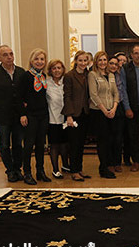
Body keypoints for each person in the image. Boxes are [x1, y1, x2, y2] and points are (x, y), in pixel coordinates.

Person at [0, 45, 26, 183]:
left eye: (11, 54)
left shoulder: (21, 72)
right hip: (3, 116)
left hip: (19, 115)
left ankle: (18, 168)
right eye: (5, 55)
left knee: (18, 144)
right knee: (4, 144)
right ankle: (10, 170)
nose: (9, 57)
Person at [19, 48, 50, 185]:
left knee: (40, 144)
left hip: (43, 114)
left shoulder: (43, 77)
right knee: (29, 145)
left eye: (42, 59)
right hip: (30, 115)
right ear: (31, 61)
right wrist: (22, 114)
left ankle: (40, 171)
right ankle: (27, 172)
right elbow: (19, 97)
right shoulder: (26, 76)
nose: (39, 61)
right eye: (36, 59)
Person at [88, 51, 119, 179]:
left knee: (111, 139)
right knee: (103, 141)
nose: (102, 63)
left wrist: (114, 108)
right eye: (100, 60)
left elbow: (116, 93)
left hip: (112, 111)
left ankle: (109, 164)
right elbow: (93, 95)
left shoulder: (111, 75)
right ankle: (103, 168)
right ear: (96, 62)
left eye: (104, 60)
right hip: (99, 112)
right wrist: (104, 110)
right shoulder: (92, 75)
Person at [62, 50, 91, 182]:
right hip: (73, 114)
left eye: (85, 61)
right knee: (74, 143)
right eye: (80, 60)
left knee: (81, 144)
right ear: (76, 61)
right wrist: (69, 115)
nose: (83, 63)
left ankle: (79, 169)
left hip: (85, 113)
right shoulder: (69, 76)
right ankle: (74, 170)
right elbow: (67, 96)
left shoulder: (89, 74)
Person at [45, 59, 70, 179]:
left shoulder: (66, 82)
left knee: (65, 144)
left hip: (65, 118)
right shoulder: (46, 83)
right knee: (54, 145)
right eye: (54, 68)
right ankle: (55, 169)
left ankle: (65, 165)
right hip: (52, 118)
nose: (57, 70)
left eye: (59, 68)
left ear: (63, 69)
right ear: (50, 70)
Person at [107, 56, 128, 173]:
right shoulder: (103, 76)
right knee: (109, 137)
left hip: (119, 107)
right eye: (111, 63)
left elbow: (123, 91)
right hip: (107, 108)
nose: (113, 66)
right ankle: (109, 162)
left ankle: (117, 162)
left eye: (116, 64)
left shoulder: (121, 75)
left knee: (118, 137)